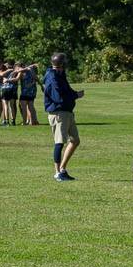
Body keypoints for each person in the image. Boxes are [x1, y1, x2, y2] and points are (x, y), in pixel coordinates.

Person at [43, 52, 84, 182]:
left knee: (75, 140)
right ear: (61, 64)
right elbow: (58, 97)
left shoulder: (60, 75)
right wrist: (75, 96)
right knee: (59, 143)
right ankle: (57, 173)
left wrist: (75, 93)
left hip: (67, 112)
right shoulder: (52, 77)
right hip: (59, 113)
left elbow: (67, 90)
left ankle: (62, 169)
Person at [0, 60, 19, 125]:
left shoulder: (4, 71)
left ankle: (7, 121)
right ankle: (13, 121)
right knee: (12, 106)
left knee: (5, 106)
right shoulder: (15, 71)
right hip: (12, 89)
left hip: (5, 89)